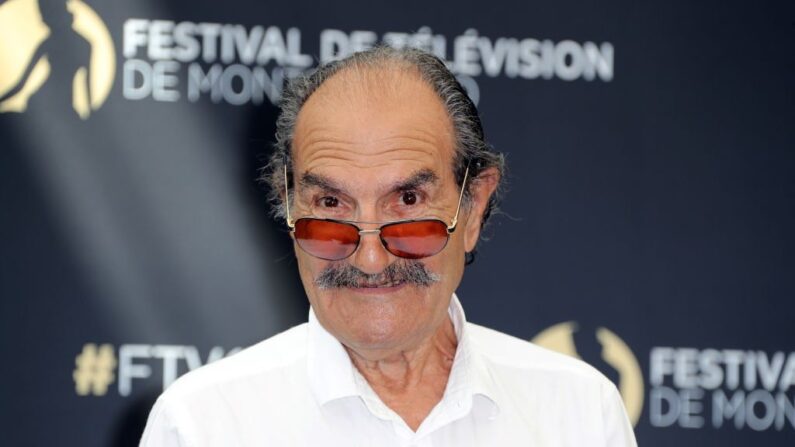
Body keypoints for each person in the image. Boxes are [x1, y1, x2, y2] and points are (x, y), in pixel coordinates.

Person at [139, 47, 637, 446]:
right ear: (288, 209)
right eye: (331, 203)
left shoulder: (578, 411)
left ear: (473, 208)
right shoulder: (203, 424)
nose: (370, 258)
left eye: (407, 199)